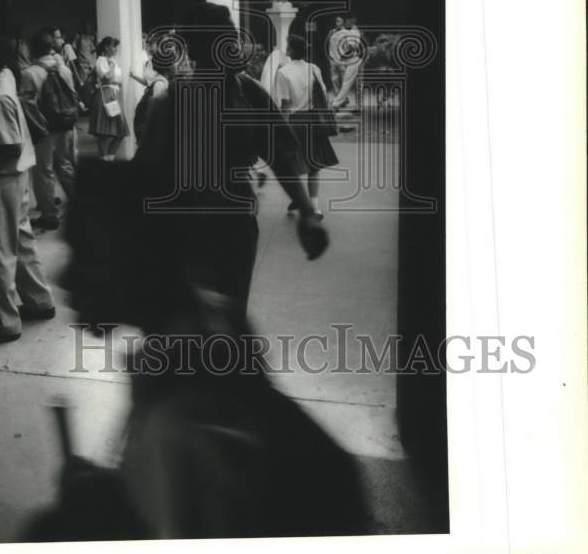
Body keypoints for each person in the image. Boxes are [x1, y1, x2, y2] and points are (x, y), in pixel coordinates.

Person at [24, 157, 367, 541]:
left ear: (133, 259)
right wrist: (117, 488)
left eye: (83, 253)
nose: (63, 276)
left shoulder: (183, 430)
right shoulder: (213, 324)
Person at [134, 3, 328, 313]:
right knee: (198, 324)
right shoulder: (173, 101)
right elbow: (142, 176)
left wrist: (306, 211)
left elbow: (279, 153)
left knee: (229, 314)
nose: (234, 44)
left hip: (236, 225)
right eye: (224, 36)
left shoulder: (248, 93)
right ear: (202, 46)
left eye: (233, 36)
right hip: (187, 229)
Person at [0, 32, 56, 347]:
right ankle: (39, 300)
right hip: (17, 176)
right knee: (23, 241)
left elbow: (9, 147)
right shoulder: (5, 80)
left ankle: (3, 321)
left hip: (2, 177)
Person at [19, 29, 77, 230]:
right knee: (65, 164)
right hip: (67, 125)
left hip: (44, 130)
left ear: (32, 48)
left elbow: (28, 106)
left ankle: (50, 216)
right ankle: (78, 201)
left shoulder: (28, 73)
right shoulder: (64, 70)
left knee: (43, 171)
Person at [274, 34, 339, 215]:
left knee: (292, 166)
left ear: (291, 50)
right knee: (314, 167)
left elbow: (285, 106)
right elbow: (324, 96)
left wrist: (282, 131)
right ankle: (315, 207)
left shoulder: (283, 72)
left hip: (295, 122)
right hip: (314, 121)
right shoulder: (314, 69)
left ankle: (299, 200)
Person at [89, 36, 130, 160]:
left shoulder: (112, 61)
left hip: (113, 95)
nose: (115, 49)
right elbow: (107, 77)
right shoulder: (102, 60)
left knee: (120, 131)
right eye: (113, 46)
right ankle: (104, 158)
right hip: (105, 95)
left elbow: (117, 80)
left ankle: (109, 156)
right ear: (106, 47)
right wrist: (111, 66)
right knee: (104, 132)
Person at [332, 15, 365, 110]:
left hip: (357, 59)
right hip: (351, 59)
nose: (348, 22)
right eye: (347, 20)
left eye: (350, 20)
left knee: (356, 83)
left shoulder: (357, 32)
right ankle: (337, 103)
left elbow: (360, 47)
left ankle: (359, 106)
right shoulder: (344, 32)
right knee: (347, 81)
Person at [325, 15, 346, 97]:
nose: (337, 23)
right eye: (336, 21)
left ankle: (343, 97)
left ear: (343, 22)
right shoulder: (332, 32)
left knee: (344, 80)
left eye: (339, 21)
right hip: (333, 59)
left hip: (342, 60)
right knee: (334, 79)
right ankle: (338, 98)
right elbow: (327, 43)